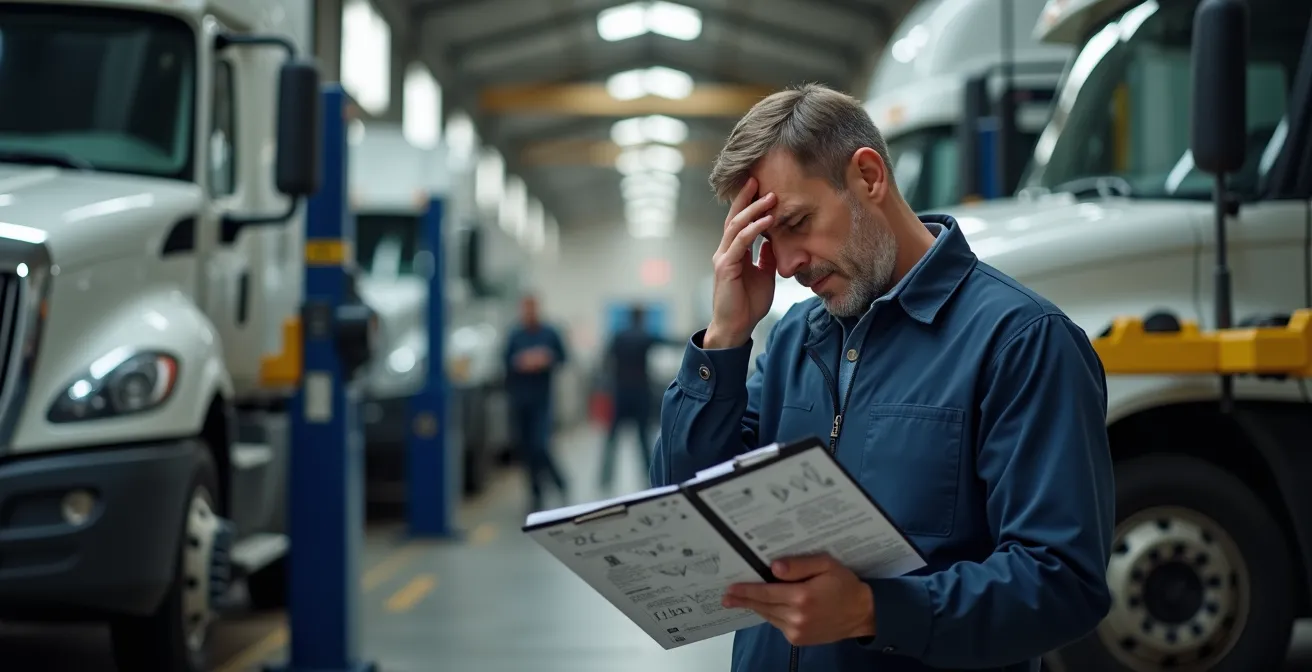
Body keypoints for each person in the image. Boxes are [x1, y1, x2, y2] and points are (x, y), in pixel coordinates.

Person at [649, 83, 1114, 671]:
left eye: (796, 222)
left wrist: (875, 610)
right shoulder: (795, 339)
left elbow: (1063, 582)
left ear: (868, 177)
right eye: (768, 240)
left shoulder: (1019, 341)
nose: (787, 265)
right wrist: (724, 340)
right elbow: (685, 502)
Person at [503, 294, 570, 512]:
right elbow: (505, 361)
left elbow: (564, 358)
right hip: (521, 401)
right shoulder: (515, 334)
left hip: (542, 400)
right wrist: (521, 362)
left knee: (540, 445)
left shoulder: (550, 333)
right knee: (527, 449)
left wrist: (545, 358)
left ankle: (560, 482)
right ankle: (535, 494)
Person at [597, 303, 673, 491]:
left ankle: (605, 478)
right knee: (643, 438)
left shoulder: (618, 337)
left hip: (620, 392)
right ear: (642, 318)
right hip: (640, 392)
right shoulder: (644, 336)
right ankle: (648, 475)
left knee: (612, 438)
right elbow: (668, 342)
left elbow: (605, 360)